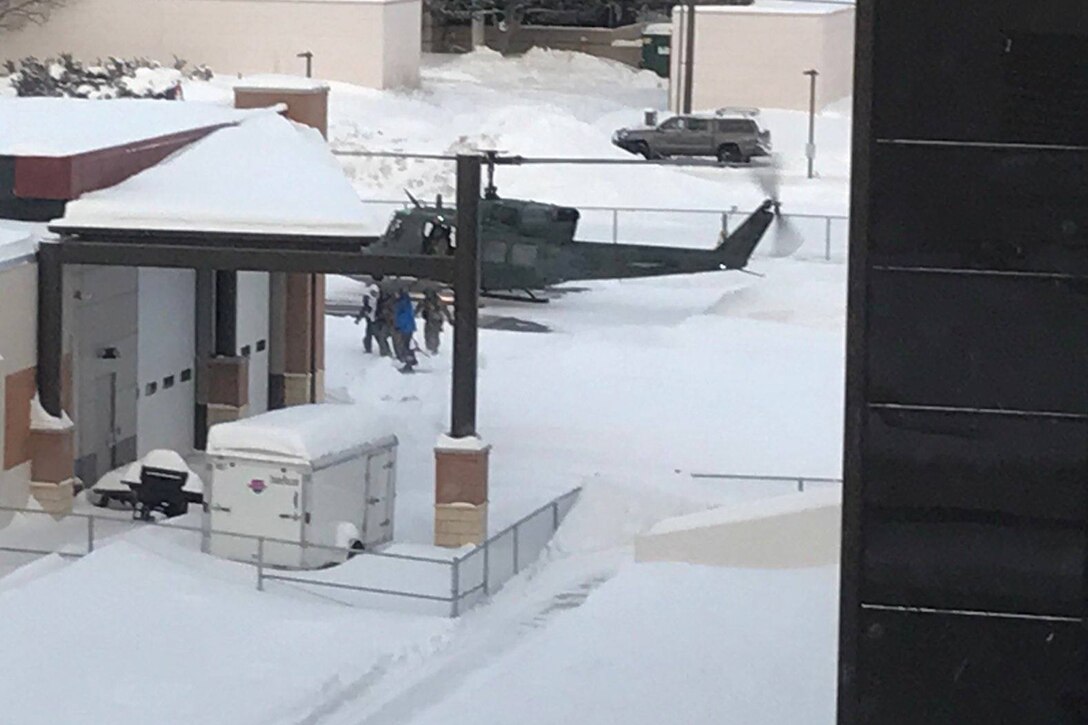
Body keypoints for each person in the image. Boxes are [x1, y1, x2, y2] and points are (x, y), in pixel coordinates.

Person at [416, 288, 454, 355]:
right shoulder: (427, 301)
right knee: (429, 333)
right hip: (430, 319)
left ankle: (433, 348)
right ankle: (430, 347)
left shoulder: (437, 301)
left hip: (435, 320)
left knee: (433, 334)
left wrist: (449, 319)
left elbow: (445, 310)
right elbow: (419, 308)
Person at [392, 288, 418, 372]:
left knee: (404, 346)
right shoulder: (405, 302)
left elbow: (403, 316)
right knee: (406, 346)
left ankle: (409, 364)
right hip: (407, 327)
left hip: (405, 328)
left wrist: (398, 325)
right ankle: (410, 362)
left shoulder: (402, 303)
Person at [353, 277, 381, 353]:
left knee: (378, 335)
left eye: (376, 293)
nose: (375, 295)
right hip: (370, 319)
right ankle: (368, 349)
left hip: (377, 320)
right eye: (373, 293)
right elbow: (364, 309)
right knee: (369, 335)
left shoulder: (379, 300)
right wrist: (359, 318)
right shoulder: (367, 299)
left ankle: (383, 350)